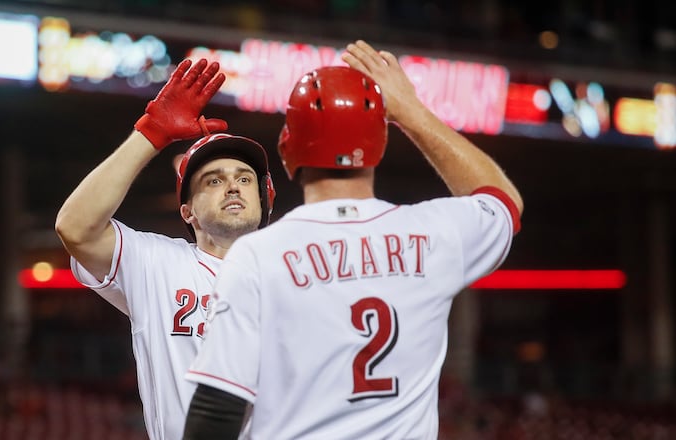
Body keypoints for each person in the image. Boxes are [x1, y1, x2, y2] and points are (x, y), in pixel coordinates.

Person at [182, 40, 524, 439]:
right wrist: (411, 113)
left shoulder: (258, 255)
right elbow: (503, 201)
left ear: (287, 149)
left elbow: (217, 408)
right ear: (379, 145)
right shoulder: (435, 233)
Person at [54, 58, 275, 439]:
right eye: (214, 181)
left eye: (244, 178)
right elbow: (75, 228)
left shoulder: (299, 271)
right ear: (186, 210)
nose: (233, 186)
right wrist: (152, 132)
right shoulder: (159, 263)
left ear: (265, 199)